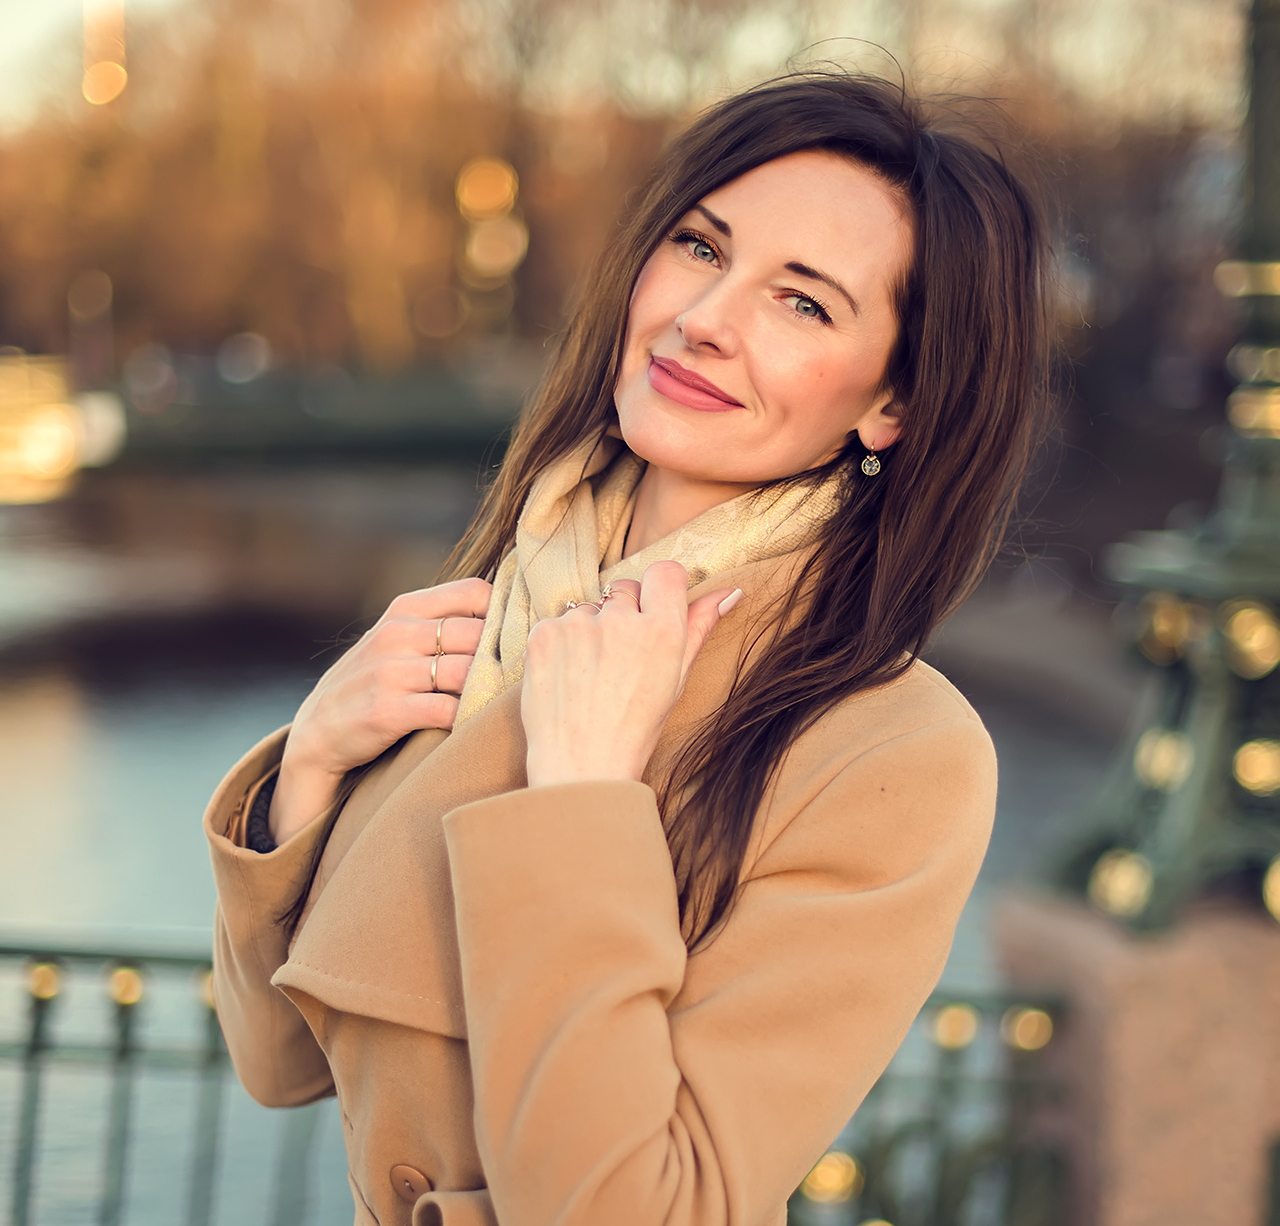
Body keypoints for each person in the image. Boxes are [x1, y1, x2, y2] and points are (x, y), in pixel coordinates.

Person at [204, 70, 1051, 1226]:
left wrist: (581, 797)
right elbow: (278, 1063)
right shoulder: (497, 603)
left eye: (802, 303)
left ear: (890, 405)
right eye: (701, 247)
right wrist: (307, 770)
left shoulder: (893, 749)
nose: (705, 316)